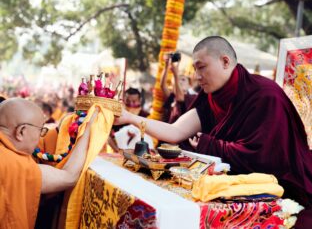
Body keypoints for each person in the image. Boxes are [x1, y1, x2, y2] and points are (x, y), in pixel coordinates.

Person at [114, 36, 312, 220]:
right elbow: (175, 131)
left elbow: (265, 159)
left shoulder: (266, 95)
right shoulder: (212, 99)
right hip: (231, 188)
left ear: (225, 61)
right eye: (195, 69)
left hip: (283, 187)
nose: (197, 76)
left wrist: (210, 144)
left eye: (202, 68)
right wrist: (129, 117)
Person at [0, 98, 97, 228]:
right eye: (41, 131)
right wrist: (88, 127)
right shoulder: (13, 164)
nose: (41, 136)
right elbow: (69, 176)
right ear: (21, 131)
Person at [160, 53, 197, 123]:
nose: (180, 82)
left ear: (190, 85)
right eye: (178, 79)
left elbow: (180, 98)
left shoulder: (192, 97)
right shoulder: (172, 96)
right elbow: (162, 85)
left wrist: (175, 75)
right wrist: (166, 66)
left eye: (183, 79)